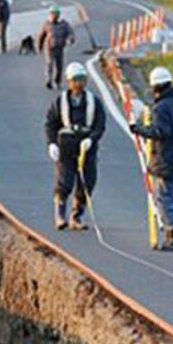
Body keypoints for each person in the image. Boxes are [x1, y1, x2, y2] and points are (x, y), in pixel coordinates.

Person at [130, 67, 173, 252]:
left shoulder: (161, 108)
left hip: (166, 159)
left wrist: (139, 129)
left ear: (155, 87)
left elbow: (160, 132)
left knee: (165, 199)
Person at [46, 62, 106, 231]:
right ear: (69, 81)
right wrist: (52, 143)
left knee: (87, 182)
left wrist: (92, 139)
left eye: (81, 80)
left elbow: (100, 126)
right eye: (75, 80)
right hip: (66, 147)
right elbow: (51, 123)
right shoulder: (61, 102)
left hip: (87, 149)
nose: (79, 84)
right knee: (64, 182)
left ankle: (76, 216)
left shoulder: (94, 102)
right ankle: (60, 215)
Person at [37, 5, 76, 90]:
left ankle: (57, 81)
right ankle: (48, 81)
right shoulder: (47, 23)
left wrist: (70, 39)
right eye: (52, 13)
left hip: (60, 47)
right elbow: (41, 35)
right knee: (49, 64)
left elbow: (70, 33)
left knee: (59, 66)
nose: (54, 15)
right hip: (49, 47)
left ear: (59, 14)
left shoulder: (64, 24)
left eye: (56, 13)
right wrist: (39, 46)